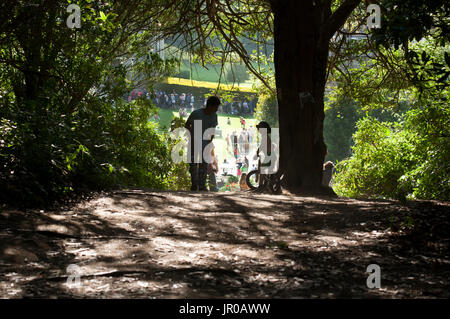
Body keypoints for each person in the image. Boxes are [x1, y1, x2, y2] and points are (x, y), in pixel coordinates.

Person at [185, 96, 220, 191]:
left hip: (205, 144)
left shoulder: (214, 116)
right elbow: (187, 125)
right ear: (210, 106)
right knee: (193, 165)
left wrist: (209, 142)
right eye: (216, 107)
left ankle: (202, 186)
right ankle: (194, 185)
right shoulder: (196, 113)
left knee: (203, 166)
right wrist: (192, 135)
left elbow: (212, 130)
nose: (217, 109)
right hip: (193, 143)